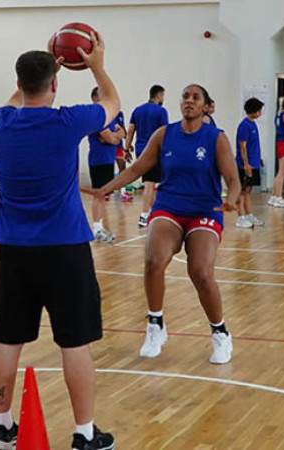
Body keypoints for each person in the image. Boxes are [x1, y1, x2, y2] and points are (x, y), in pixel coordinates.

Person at [0, 33, 118, 450]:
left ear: (19, 81)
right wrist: (95, 65)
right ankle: (84, 434)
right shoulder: (68, 122)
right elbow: (112, 104)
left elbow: (19, 96)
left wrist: (47, 63)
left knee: (7, 339)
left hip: (15, 250)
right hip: (64, 249)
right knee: (74, 342)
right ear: (56, 85)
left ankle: (2, 427)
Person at [92, 84, 240, 365]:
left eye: (196, 97)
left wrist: (232, 199)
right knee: (153, 260)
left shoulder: (216, 138)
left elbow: (233, 179)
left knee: (201, 272)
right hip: (169, 206)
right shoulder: (165, 135)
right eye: (185, 96)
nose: (189, 101)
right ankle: (155, 325)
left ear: (206, 106)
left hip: (204, 210)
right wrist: (105, 188)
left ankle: (220, 332)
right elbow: (137, 169)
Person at [125, 85, 169, 227]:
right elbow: (164, 132)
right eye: (163, 96)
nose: (163, 99)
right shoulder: (161, 111)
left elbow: (131, 130)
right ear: (158, 95)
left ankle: (153, 212)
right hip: (154, 150)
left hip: (139, 150)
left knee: (151, 182)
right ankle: (144, 215)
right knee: (150, 183)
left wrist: (126, 148)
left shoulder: (138, 110)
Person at [88, 86, 126, 243]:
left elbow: (120, 133)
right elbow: (109, 138)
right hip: (99, 160)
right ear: (96, 98)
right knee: (99, 194)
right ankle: (97, 229)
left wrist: (115, 136)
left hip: (107, 160)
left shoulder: (106, 117)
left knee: (103, 196)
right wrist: (115, 136)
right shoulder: (97, 117)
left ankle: (100, 228)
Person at [235, 97, 265, 229]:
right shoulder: (244, 125)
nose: (261, 112)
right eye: (259, 110)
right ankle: (240, 216)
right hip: (245, 164)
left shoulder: (253, 124)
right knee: (240, 191)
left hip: (254, 162)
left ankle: (248, 215)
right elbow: (243, 146)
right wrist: (246, 164)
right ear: (254, 111)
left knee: (248, 190)